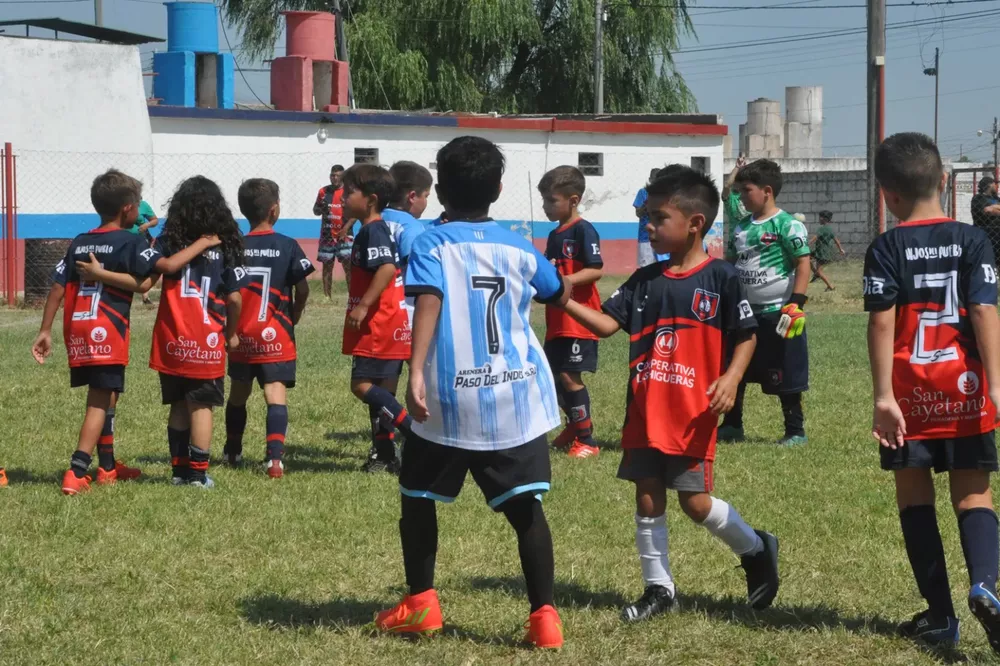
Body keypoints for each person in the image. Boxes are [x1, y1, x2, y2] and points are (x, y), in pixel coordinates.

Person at [374, 136, 570, 648]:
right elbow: (556, 290)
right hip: (513, 395)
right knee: (526, 509)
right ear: (499, 189)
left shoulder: (431, 245)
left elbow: (431, 298)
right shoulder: (518, 246)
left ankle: (421, 604)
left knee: (417, 497)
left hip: (447, 395)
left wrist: (414, 370)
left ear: (439, 190)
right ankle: (544, 618)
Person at [562, 164, 780, 623]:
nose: (649, 227)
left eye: (659, 218)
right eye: (649, 218)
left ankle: (757, 548)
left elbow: (746, 335)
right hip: (644, 409)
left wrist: (732, 378)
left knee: (695, 503)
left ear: (694, 223)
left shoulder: (720, 278)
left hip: (691, 412)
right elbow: (605, 325)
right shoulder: (645, 280)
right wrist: (562, 299)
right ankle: (659, 588)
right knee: (646, 494)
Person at [864, 132, 1000, 652]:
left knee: (914, 495)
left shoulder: (887, 246)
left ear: (887, 195)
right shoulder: (974, 241)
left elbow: (881, 324)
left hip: (909, 396)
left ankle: (941, 618)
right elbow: (985, 310)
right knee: (973, 493)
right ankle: (987, 583)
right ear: (944, 180)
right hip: (965, 390)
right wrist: (993, 383)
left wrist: (883, 397)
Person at [31, 170, 217, 495]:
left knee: (109, 394)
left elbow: (59, 286)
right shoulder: (130, 241)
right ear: (130, 209)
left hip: (79, 331)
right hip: (107, 332)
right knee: (99, 400)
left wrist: (45, 330)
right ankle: (76, 471)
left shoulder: (80, 241)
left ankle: (107, 466)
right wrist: (204, 241)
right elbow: (169, 267)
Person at [82, 177, 247, 488]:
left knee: (178, 404)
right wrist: (232, 333)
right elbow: (236, 298)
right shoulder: (225, 245)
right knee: (202, 405)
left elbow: (146, 283)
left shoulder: (169, 240)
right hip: (207, 338)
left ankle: (178, 472)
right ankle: (198, 474)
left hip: (171, 337)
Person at [224, 179, 315, 478]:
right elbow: (302, 289)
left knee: (238, 394)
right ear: (274, 210)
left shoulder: (234, 246)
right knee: (274, 395)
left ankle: (233, 451)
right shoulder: (287, 244)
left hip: (239, 338)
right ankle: (274, 459)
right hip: (275, 337)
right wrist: (295, 316)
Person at [720, 158, 812, 447]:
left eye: (746, 190)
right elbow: (731, 263)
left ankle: (794, 430)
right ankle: (733, 425)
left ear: (767, 191)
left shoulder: (787, 225)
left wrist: (795, 304)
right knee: (737, 370)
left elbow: (803, 264)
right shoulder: (741, 228)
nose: (741, 197)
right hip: (745, 313)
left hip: (778, 312)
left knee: (786, 371)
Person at [340, 164, 412, 474]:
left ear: (370, 199)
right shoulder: (368, 228)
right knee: (383, 394)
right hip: (389, 322)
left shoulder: (374, 230)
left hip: (379, 324)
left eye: (348, 192)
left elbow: (385, 268)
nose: (342, 197)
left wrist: (363, 305)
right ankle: (385, 456)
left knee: (361, 386)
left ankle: (413, 431)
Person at [538, 165, 604, 459]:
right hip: (557, 320)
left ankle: (587, 440)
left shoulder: (583, 230)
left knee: (569, 376)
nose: (545, 206)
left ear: (573, 200)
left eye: (552, 200)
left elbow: (595, 270)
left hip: (579, 319)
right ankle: (574, 427)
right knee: (552, 376)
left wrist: (565, 281)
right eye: (544, 200)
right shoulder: (554, 235)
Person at [314, 164, 348, 297]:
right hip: (327, 235)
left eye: (338, 175)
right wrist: (321, 208)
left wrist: (345, 228)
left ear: (343, 177)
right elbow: (315, 211)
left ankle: (352, 295)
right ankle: (327, 296)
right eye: (332, 175)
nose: (334, 178)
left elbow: (355, 214)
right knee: (327, 266)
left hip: (345, 235)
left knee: (348, 267)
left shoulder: (348, 191)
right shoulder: (323, 192)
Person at [634, 168, 671, 268]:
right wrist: (647, 203)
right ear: (650, 179)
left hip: (663, 235)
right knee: (646, 266)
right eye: (655, 180)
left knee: (664, 265)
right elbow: (638, 213)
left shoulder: (666, 195)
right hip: (645, 236)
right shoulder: (643, 193)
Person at [130, 199, 159, 304]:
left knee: (143, 265)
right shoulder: (120, 203)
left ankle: (145, 297)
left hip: (141, 239)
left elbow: (155, 220)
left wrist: (147, 225)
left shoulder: (143, 204)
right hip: (124, 240)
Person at [809, 210, 845, 292]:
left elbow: (815, 238)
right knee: (807, 258)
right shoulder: (830, 229)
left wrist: (807, 244)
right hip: (821, 251)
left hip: (822, 253)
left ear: (824, 219)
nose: (819, 219)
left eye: (820, 218)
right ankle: (816, 274)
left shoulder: (822, 229)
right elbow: (836, 240)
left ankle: (830, 286)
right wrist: (841, 249)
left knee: (819, 271)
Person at [971, 175, 1000, 261]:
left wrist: (993, 207)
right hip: (985, 234)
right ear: (989, 185)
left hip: (997, 235)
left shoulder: (996, 198)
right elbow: (988, 210)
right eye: (994, 184)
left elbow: (991, 209)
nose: (996, 186)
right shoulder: (978, 198)